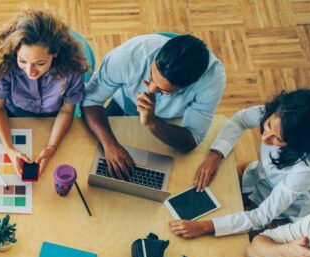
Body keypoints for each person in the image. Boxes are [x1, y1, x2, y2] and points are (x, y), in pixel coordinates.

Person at [170, 89, 310, 239]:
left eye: (278, 139)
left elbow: (261, 217)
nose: (264, 138)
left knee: (232, 246)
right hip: (254, 177)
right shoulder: (279, 115)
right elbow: (240, 120)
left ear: (299, 144)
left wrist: (206, 227)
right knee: (192, 178)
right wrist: (215, 155)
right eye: (267, 125)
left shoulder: (308, 168)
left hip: (281, 215)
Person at [82, 34, 225, 177]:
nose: (149, 90)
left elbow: (191, 139)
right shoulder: (129, 55)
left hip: (168, 122)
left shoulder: (212, 82)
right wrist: (110, 146)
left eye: (163, 90)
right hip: (123, 104)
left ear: (186, 86)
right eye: (151, 77)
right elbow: (91, 100)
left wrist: (152, 122)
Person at [0, 10, 88, 175]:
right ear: (15, 51)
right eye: (22, 61)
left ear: (55, 53)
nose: (30, 71)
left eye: (40, 63)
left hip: (53, 121)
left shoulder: (72, 70)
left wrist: (52, 147)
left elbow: (67, 109)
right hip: (13, 119)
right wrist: (9, 149)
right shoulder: (6, 66)